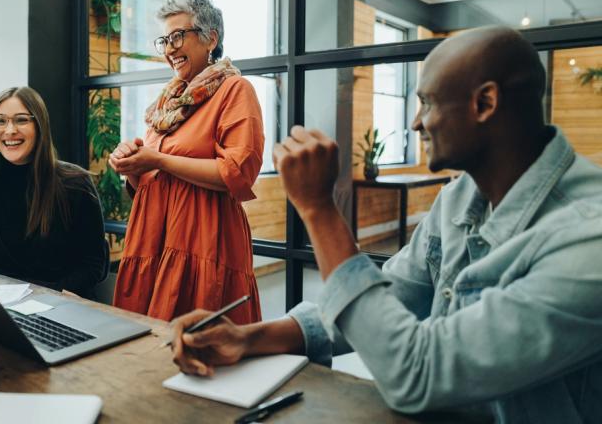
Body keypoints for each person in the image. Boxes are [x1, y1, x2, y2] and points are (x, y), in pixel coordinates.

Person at [170, 27, 602, 422]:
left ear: (485, 103)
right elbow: (388, 297)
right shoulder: (459, 197)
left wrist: (319, 210)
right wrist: (249, 338)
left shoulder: (588, 241)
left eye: (427, 102)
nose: (416, 122)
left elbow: (418, 373)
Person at [109, 0, 263, 324]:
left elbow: (237, 173)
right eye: (164, 40)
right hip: (153, 239)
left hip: (203, 242)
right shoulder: (167, 103)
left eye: (178, 36)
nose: (169, 49)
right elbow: (147, 183)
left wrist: (159, 160)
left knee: (201, 346)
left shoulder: (235, 90)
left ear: (211, 38)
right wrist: (132, 165)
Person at [0, 86, 107, 296]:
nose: (9, 130)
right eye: (0, 120)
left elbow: (93, 264)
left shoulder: (76, 183)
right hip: (2, 307)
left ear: (39, 125)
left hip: (63, 305)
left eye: (21, 120)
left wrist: (52, 294)